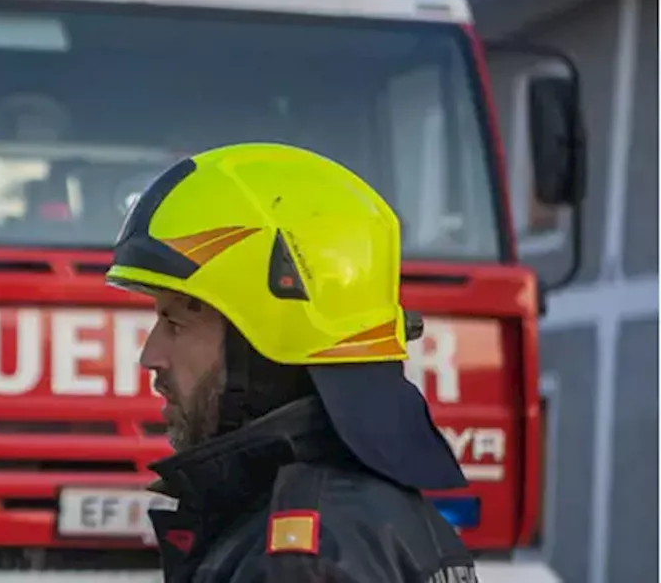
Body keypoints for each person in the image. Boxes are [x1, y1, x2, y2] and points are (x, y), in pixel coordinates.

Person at [107, 143, 477, 583]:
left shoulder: (301, 560)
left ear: (265, 341)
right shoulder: (379, 521)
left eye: (176, 323)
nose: (151, 356)